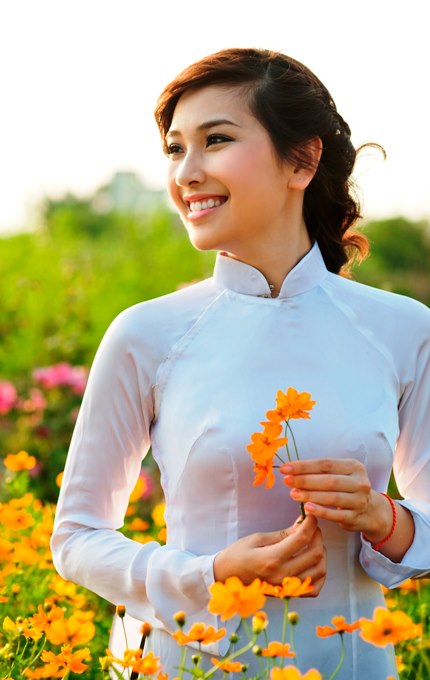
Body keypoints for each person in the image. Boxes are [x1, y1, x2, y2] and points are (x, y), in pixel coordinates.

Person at [50, 48, 430, 679]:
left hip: (353, 661)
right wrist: (212, 574)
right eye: (175, 149)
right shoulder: (146, 334)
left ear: (302, 161)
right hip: (191, 662)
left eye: (216, 140)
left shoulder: (403, 329)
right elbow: (75, 539)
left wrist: (384, 517)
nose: (185, 173)